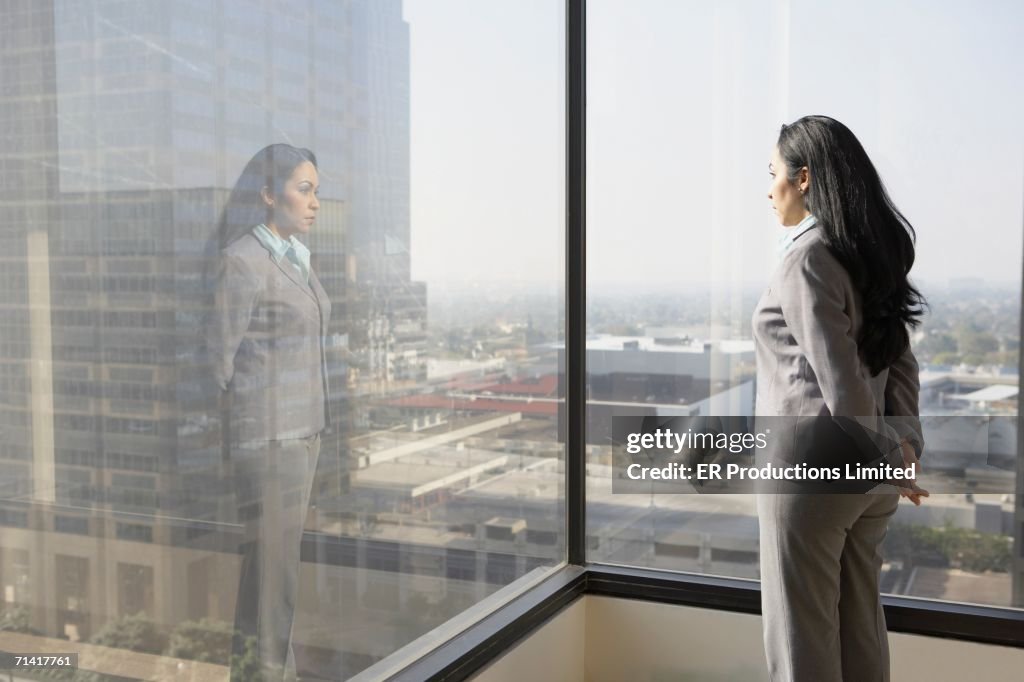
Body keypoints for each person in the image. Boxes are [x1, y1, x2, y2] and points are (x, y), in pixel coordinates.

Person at [752, 115, 929, 681]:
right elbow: (898, 362)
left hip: (812, 475)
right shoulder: (865, 255)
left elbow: (839, 378)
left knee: (801, 639)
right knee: (860, 630)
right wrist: (900, 447)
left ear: (804, 179)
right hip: (869, 479)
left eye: (774, 172)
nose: (768, 188)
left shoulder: (807, 259)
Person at [205, 143, 331, 681]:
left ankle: (269, 677)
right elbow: (216, 359)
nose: (315, 203)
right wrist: (246, 427)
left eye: (316, 191)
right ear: (266, 195)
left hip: (305, 435)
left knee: (272, 577)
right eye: (304, 190)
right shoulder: (243, 260)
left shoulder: (296, 259)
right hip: (272, 442)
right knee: (274, 581)